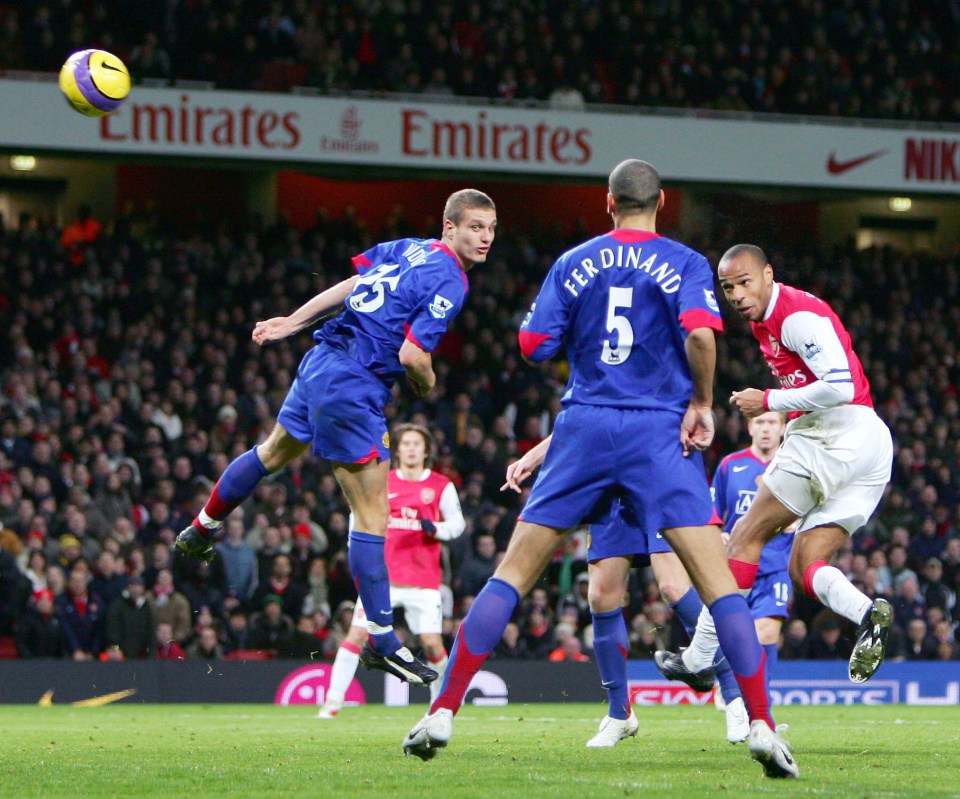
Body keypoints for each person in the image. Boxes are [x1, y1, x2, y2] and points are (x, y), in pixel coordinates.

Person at [403, 160, 796, 779]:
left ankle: (443, 711)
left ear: (606, 202)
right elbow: (700, 337)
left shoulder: (573, 260)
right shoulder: (688, 262)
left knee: (512, 575)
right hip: (657, 433)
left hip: (584, 428)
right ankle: (761, 726)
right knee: (717, 584)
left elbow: (533, 346)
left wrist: (583, 342)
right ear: (662, 201)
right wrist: (700, 401)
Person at [174, 190, 497, 687]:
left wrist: (294, 322)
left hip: (321, 363)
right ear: (449, 229)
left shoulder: (409, 247)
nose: (485, 238)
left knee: (271, 452)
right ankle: (384, 642)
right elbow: (414, 356)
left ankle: (201, 528)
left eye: (491, 229)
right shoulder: (451, 281)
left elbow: (352, 284)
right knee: (373, 515)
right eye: (475, 227)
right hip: (354, 384)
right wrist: (427, 385)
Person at [660, 243, 893, 692]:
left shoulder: (795, 316)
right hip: (869, 449)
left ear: (768, 274)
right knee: (805, 563)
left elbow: (840, 385)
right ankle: (868, 614)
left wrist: (767, 399)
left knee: (746, 536)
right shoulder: (767, 320)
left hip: (833, 433)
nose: (736, 294)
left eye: (744, 282)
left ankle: (698, 657)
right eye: (727, 287)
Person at [318, 423, 466, 718]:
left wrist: (436, 528)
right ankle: (332, 703)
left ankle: (441, 706)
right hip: (382, 579)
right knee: (357, 634)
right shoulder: (383, 482)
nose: (411, 448)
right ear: (397, 450)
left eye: (417, 443)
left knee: (432, 643)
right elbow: (359, 515)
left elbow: (458, 525)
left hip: (423, 580)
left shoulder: (440, 485)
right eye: (406, 443)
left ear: (426, 451)